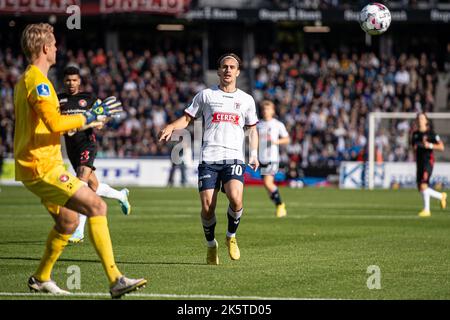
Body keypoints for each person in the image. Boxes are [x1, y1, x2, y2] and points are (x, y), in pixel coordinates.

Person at [13, 23, 146, 298]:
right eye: (54, 44)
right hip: (42, 166)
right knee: (96, 205)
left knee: (69, 223)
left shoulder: (28, 78)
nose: (57, 48)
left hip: (39, 164)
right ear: (46, 48)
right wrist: (88, 117)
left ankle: (40, 278)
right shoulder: (39, 83)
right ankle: (115, 279)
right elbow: (54, 123)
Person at [159, 53, 259, 265]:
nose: (228, 70)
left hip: (233, 157)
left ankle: (231, 237)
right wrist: (170, 126)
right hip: (209, 157)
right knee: (207, 207)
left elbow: (252, 129)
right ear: (219, 70)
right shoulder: (205, 95)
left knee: (236, 198)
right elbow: (187, 118)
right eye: (224, 66)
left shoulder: (246, 100)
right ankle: (211, 245)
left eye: (232, 67)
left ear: (238, 72)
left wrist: (255, 154)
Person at [58, 66, 131, 243]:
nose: (71, 83)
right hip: (72, 148)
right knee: (94, 187)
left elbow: (103, 115)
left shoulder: (88, 98)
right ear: (64, 81)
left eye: (74, 80)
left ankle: (79, 231)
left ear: (79, 81)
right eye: (68, 80)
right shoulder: (59, 99)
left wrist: (100, 122)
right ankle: (121, 195)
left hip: (87, 145)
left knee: (80, 185)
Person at [257, 100, 290, 217]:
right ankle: (279, 205)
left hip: (272, 158)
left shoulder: (277, 124)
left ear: (273, 111)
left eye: (268, 109)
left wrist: (276, 141)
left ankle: (281, 205)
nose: (265, 111)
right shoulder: (258, 124)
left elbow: (287, 139)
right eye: (264, 109)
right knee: (267, 186)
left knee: (268, 183)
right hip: (261, 158)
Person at [411, 112, 447, 217]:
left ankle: (427, 210)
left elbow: (441, 147)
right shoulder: (415, 134)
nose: (420, 120)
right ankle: (441, 196)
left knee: (423, 185)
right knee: (420, 187)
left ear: (426, 121)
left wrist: (430, 145)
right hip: (419, 162)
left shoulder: (431, 134)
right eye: (418, 118)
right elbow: (414, 147)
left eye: (422, 118)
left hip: (428, 161)